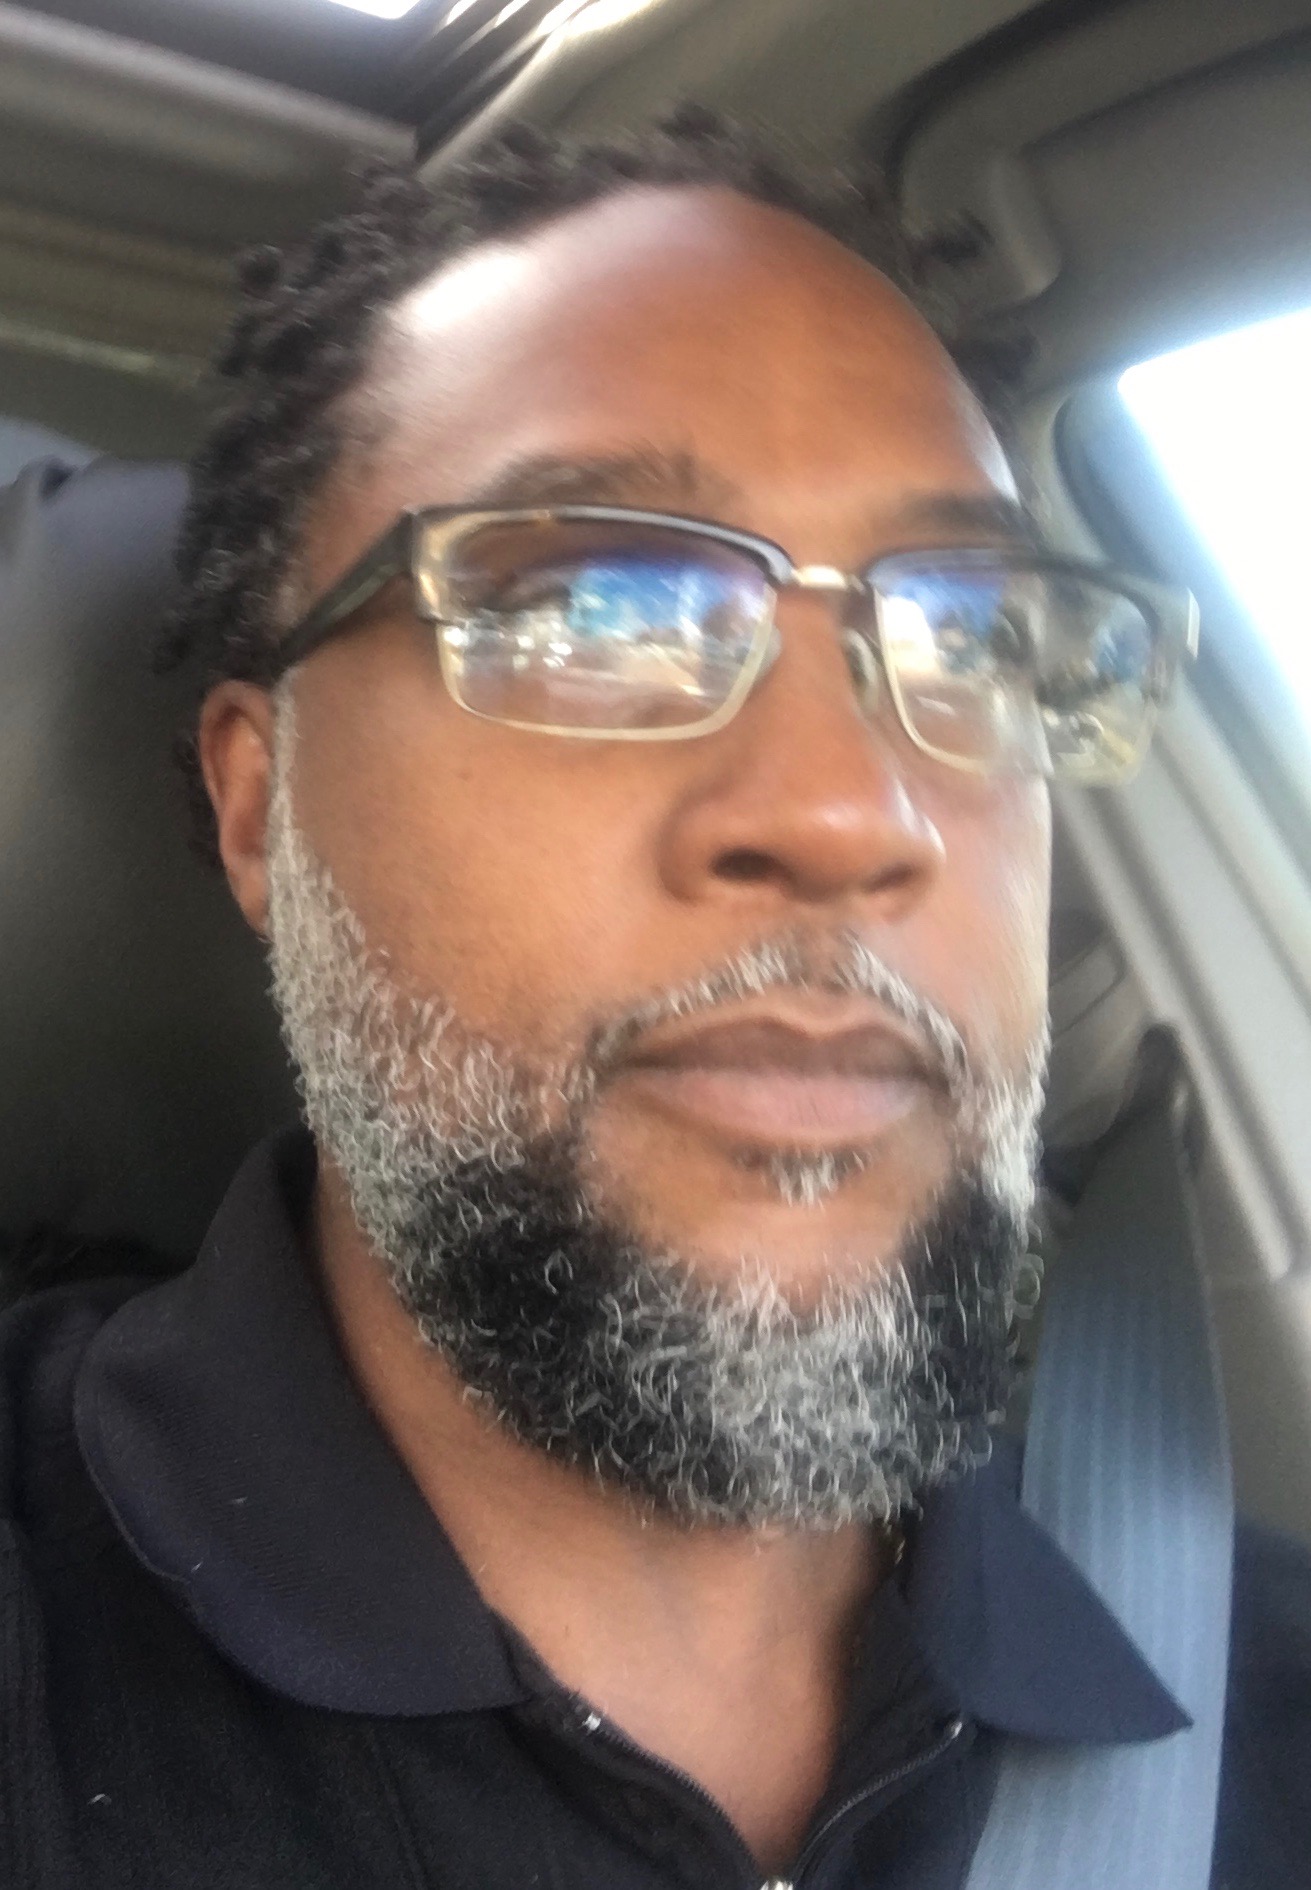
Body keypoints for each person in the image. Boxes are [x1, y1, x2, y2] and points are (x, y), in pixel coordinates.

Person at [0, 108, 1305, 1890]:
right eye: (595, 609)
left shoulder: (1256, 1694)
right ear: (260, 805)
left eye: (975, 636)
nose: (857, 813)